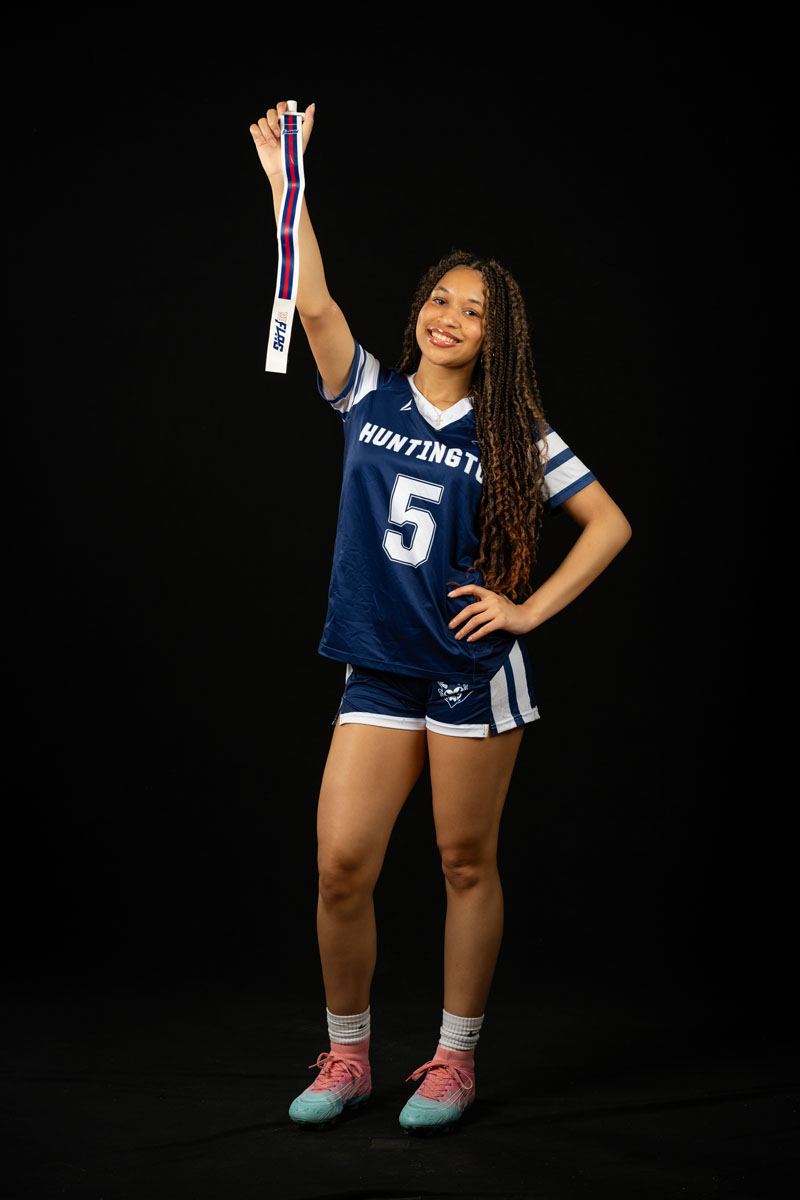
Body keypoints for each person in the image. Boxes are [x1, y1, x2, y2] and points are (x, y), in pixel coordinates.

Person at [250, 101, 632, 1136]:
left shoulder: (513, 429)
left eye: (474, 310)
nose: (450, 316)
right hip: (377, 663)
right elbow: (313, 301)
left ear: (496, 336)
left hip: (470, 670)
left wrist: (526, 609)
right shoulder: (366, 392)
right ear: (419, 308)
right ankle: (348, 1054)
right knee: (341, 865)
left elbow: (608, 523)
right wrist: (287, 183)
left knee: (464, 863)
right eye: (440, 298)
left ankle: (453, 1062)